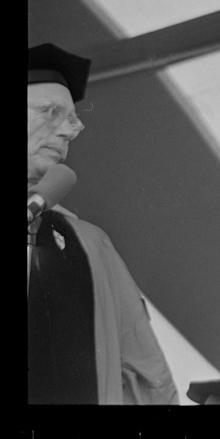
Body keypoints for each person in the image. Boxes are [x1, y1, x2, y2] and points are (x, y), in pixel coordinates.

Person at [27, 43, 178, 405]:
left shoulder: (90, 243)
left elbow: (147, 375)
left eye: (71, 120)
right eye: (51, 113)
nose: (67, 131)